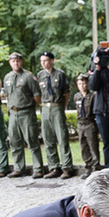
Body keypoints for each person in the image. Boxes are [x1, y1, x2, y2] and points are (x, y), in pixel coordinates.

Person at [3, 52, 45, 178]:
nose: (15, 63)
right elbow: (7, 94)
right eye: (13, 61)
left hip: (26, 112)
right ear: (10, 63)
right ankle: (19, 168)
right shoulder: (7, 77)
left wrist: (30, 107)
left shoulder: (28, 77)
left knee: (32, 140)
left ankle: (38, 168)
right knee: (14, 142)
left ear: (21, 62)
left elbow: (37, 95)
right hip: (13, 113)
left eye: (18, 61)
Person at [37, 51, 76, 179]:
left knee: (62, 138)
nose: (43, 63)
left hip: (56, 107)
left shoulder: (60, 74)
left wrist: (62, 107)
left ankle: (66, 167)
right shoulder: (40, 75)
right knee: (48, 139)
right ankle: (54, 167)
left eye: (46, 60)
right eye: (42, 61)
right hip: (45, 108)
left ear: (52, 61)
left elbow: (66, 93)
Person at [74, 73, 102, 178]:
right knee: (83, 147)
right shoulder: (77, 96)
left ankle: (96, 168)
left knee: (93, 146)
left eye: (84, 83)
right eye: (80, 84)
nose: (82, 86)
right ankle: (88, 168)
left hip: (90, 123)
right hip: (80, 124)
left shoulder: (93, 96)